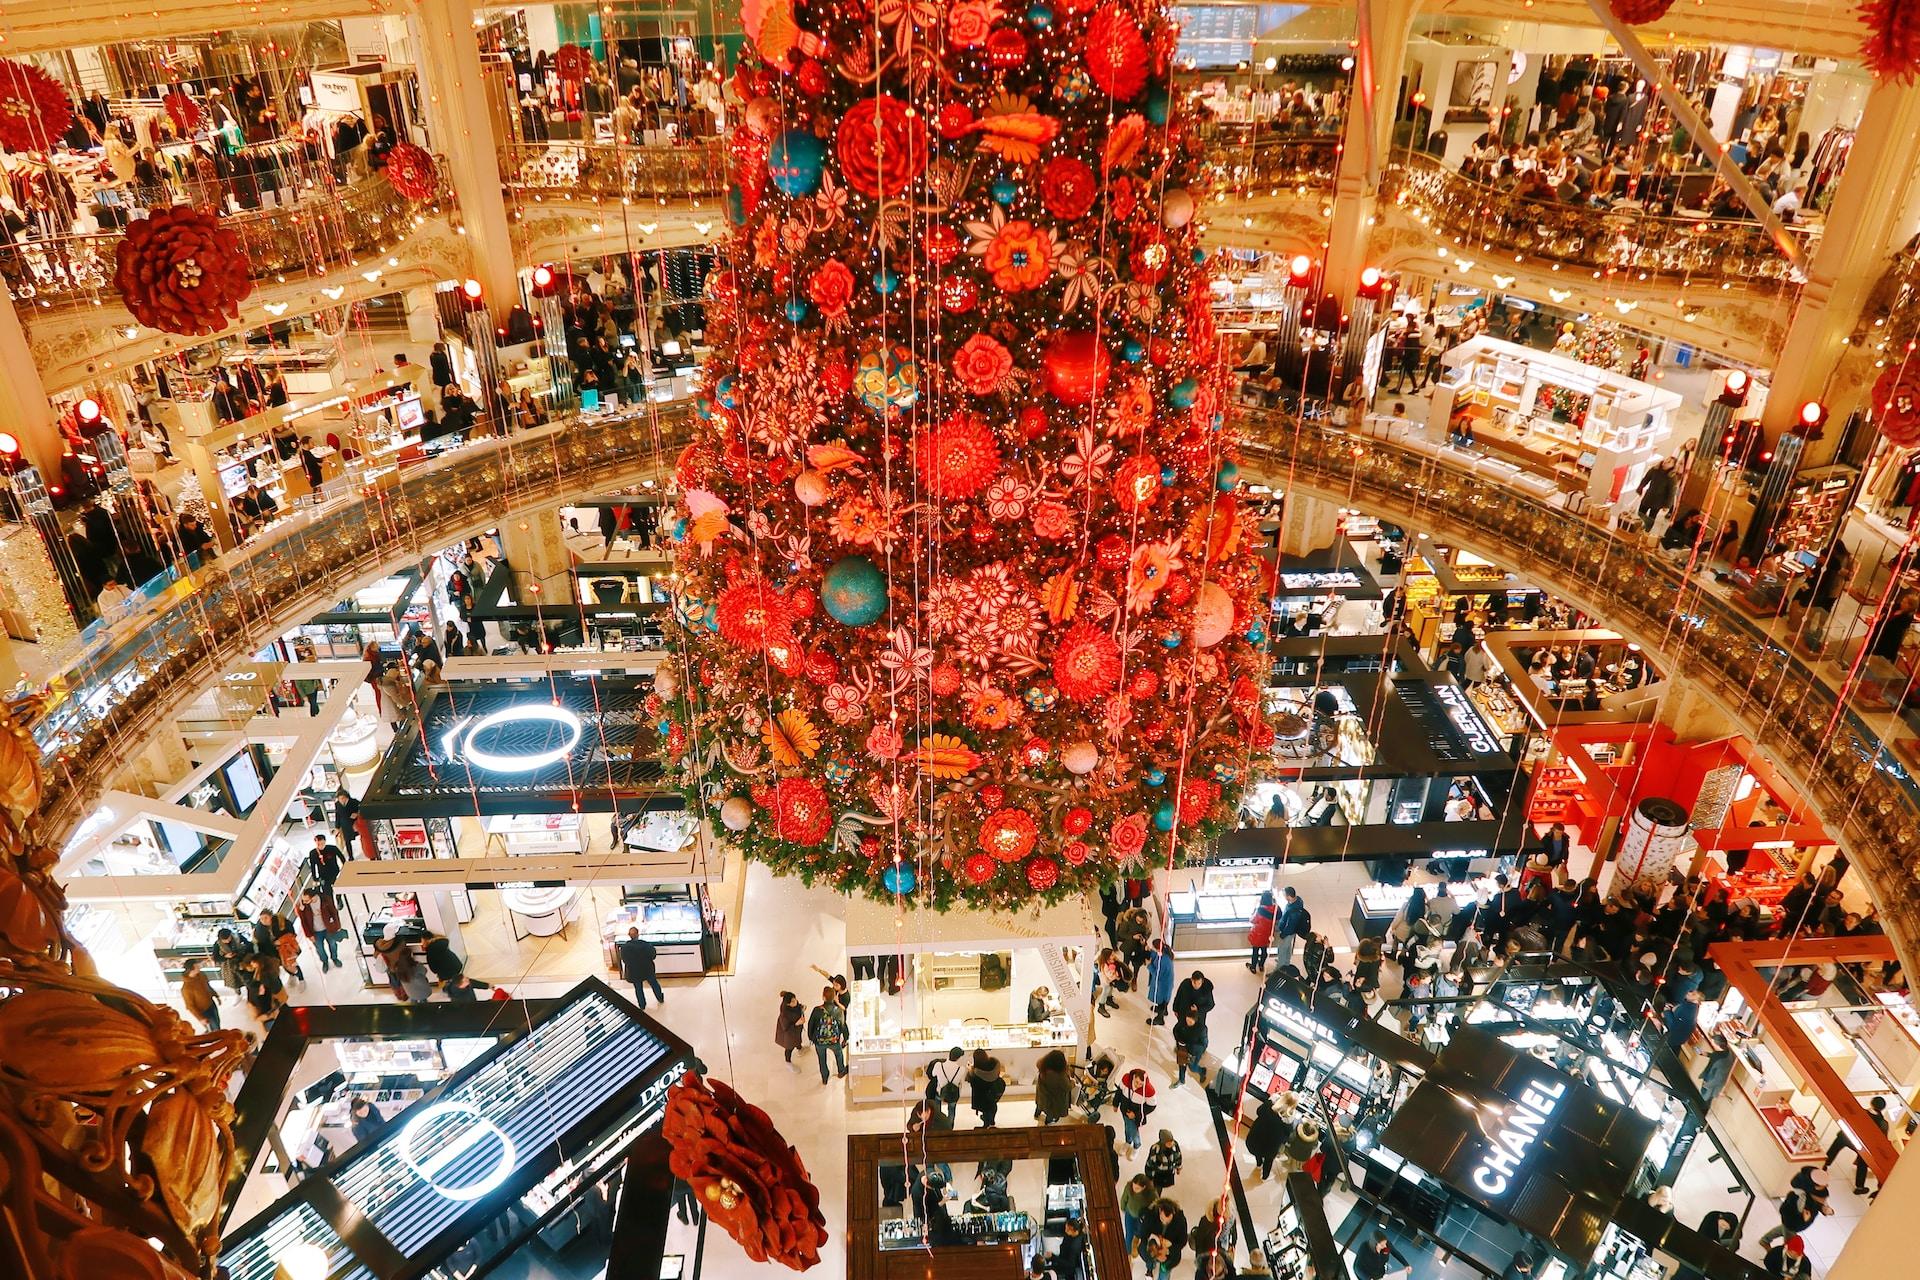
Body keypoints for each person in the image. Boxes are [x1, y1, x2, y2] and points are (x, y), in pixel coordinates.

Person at [1824, 1095, 1890, 1194]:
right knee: (1863, 1162)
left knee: (1836, 1145)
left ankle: (1825, 1164)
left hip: (1847, 1137)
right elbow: (1881, 1139)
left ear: (1871, 1103)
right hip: (1862, 1145)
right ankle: (1859, 1187)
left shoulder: (1860, 1112)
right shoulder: (1883, 1123)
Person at [1759, 1167, 1833, 1248]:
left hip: (1792, 1224)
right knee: (1790, 1244)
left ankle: (1765, 1240)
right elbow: (1793, 1211)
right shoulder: (1798, 1197)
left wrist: (1824, 1208)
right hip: (1793, 1223)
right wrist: (1804, 1218)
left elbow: (1820, 1202)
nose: (1827, 1185)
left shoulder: (1815, 1193)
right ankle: (1781, 1254)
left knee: (1783, 1229)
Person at [806, 986, 849, 1082]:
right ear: (834, 997)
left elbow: (811, 1025)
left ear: (823, 997)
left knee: (822, 1059)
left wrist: (811, 1038)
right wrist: (846, 1037)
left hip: (819, 1041)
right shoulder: (838, 1011)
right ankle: (841, 1071)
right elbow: (842, 1026)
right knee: (838, 1054)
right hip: (834, 1040)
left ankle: (825, 1077)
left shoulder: (817, 1010)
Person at [296, 887, 343, 972]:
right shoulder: (304, 907)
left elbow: (334, 912)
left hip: (328, 928)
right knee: (319, 949)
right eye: (304, 900)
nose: (305, 902)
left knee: (332, 944)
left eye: (307, 900)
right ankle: (325, 962)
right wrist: (309, 935)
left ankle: (335, 958)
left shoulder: (325, 900)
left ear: (313, 897)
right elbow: (303, 921)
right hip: (315, 931)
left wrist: (337, 926)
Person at [617, 925, 664, 1009]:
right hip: (647, 969)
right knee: (654, 984)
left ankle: (642, 1005)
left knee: (638, 988)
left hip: (634, 972)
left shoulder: (624, 948)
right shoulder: (646, 945)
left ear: (629, 935)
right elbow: (653, 955)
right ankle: (660, 998)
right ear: (638, 934)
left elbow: (624, 959)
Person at [1246, 1095, 1290, 1180]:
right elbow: (1286, 1137)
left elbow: (1258, 1111)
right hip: (1270, 1148)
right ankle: (1264, 1177)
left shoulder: (1268, 1108)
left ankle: (1259, 1164)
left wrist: (1270, 1100)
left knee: (1257, 1153)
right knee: (1268, 1162)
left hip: (1257, 1139)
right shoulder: (1287, 1122)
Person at [1115, 1066, 1157, 1153]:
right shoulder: (1126, 1079)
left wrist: (1135, 1114)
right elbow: (1119, 1091)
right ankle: (1128, 1142)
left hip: (1136, 1116)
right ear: (1134, 1077)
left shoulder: (1149, 1090)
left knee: (1134, 1132)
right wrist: (1115, 1104)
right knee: (1127, 1128)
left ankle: (1136, 1146)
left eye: (1141, 1084)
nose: (1138, 1085)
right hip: (1124, 1110)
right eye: (1137, 1082)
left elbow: (1151, 1106)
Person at [258, 907, 304, 982]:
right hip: (275, 951)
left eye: (266, 918)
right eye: (261, 919)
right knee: (284, 965)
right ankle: (292, 975)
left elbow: (291, 932)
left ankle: (301, 978)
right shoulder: (261, 930)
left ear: (271, 916)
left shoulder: (280, 921)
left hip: (286, 948)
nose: (263, 921)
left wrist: (281, 941)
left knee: (292, 963)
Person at [180, 956, 220, 1031]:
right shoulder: (186, 988)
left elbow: (208, 986)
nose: (200, 967)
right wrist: (200, 1018)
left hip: (211, 1004)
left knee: (217, 1023)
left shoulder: (202, 975)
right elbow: (190, 1006)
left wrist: (215, 995)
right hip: (204, 1011)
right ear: (191, 969)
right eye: (197, 966)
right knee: (214, 1029)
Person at [927, 1045, 967, 1122]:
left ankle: (938, 1125)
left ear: (949, 1054)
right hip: (953, 1094)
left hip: (940, 1092)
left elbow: (933, 1074)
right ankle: (949, 1128)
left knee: (937, 1111)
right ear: (958, 1058)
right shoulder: (961, 1069)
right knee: (951, 1111)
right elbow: (961, 1081)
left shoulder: (938, 1065)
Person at [967, 1049, 1006, 1127]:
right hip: (994, 1091)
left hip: (983, 1095)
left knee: (986, 1109)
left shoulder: (976, 1072)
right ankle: (992, 1121)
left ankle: (986, 1123)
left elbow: (972, 1083)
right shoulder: (995, 1064)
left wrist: (970, 1070)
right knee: (993, 1106)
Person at [1120, 1172, 1157, 1252]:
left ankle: (1136, 1249)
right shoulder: (1128, 1187)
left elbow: (1156, 1204)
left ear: (1144, 1187)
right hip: (1130, 1213)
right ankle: (1128, 1253)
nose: (1134, 1189)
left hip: (1142, 1217)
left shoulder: (1151, 1193)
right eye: (1133, 1186)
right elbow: (1124, 1198)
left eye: (1137, 1188)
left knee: (1139, 1234)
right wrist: (1123, 1207)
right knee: (1129, 1235)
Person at [1275, 886, 1310, 969]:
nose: (1283, 896)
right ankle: (1286, 963)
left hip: (1288, 932)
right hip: (1291, 931)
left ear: (1289, 897)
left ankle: (1280, 968)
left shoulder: (1294, 911)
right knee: (1287, 947)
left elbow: (1290, 926)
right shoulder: (1297, 900)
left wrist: (1283, 934)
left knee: (1282, 950)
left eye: (1284, 895)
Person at [1172, 1010, 1210, 1086]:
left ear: (1195, 1021)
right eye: (1187, 1020)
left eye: (1190, 1021)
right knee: (1182, 1064)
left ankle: (1202, 1071)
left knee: (1193, 1068)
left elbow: (1204, 1043)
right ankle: (1181, 1080)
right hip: (1182, 1048)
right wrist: (1178, 1039)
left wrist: (1193, 1049)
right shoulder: (1182, 1022)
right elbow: (1175, 1030)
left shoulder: (1201, 1029)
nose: (1188, 1023)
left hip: (1194, 1052)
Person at [1034, 1048, 1073, 1123]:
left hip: (1042, 1096)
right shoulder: (1060, 1076)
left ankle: (1037, 1113)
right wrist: (1072, 1082)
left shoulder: (1042, 1065)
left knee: (1040, 1104)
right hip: (1052, 1101)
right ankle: (1048, 1121)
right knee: (1051, 1113)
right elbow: (1067, 1087)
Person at [1144, 938, 1176, 1025]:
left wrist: (1149, 965)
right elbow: (1156, 955)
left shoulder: (1163, 961)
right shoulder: (1165, 954)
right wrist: (1150, 951)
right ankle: (1163, 1011)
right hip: (1166, 982)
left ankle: (1160, 1018)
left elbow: (1157, 974)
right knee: (1164, 1000)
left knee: (1162, 1001)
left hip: (1163, 984)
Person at [1246, 889, 1278, 971]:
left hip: (1258, 934)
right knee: (1264, 950)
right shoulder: (1275, 908)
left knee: (1255, 951)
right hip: (1268, 934)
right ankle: (1261, 965)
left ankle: (1253, 967)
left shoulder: (1260, 910)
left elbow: (1252, 920)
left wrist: (1254, 909)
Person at [774, 991, 805, 1069]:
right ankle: (788, 1062)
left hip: (797, 1030)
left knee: (798, 1039)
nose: (796, 1001)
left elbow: (797, 1006)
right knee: (789, 1048)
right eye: (793, 1001)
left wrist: (801, 1007)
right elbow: (785, 1028)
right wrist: (797, 1024)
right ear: (788, 1004)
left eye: (795, 999)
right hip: (789, 1035)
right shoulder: (784, 1015)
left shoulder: (794, 1004)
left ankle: (800, 1049)